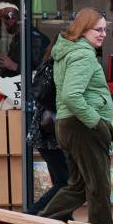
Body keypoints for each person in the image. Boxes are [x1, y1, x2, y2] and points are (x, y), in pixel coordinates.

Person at [38, 8, 113, 224]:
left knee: (78, 186)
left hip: (69, 124)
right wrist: (96, 122)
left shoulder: (68, 51)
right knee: (99, 185)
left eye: (105, 29)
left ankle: (44, 223)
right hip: (82, 126)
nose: (103, 34)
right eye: (98, 30)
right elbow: (71, 95)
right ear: (83, 30)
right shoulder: (83, 55)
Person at [27, 49, 68, 215]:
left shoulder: (47, 66)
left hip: (43, 133)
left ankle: (62, 217)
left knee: (62, 181)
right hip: (52, 135)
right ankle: (33, 214)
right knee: (66, 182)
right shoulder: (59, 68)